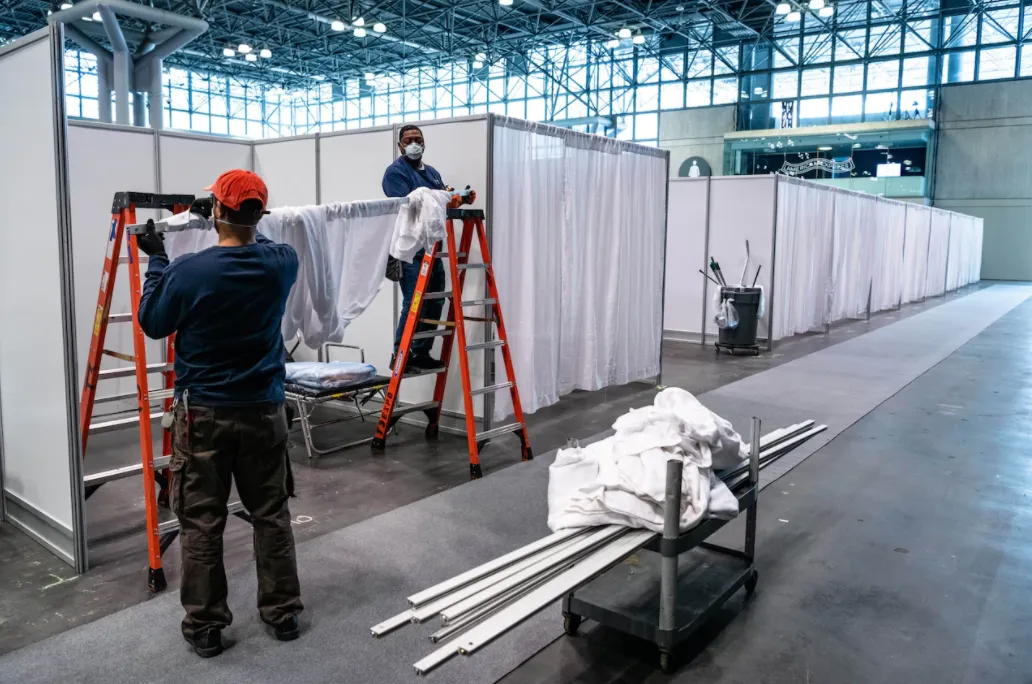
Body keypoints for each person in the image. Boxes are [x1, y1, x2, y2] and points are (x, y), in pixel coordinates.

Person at [136, 169, 304, 659]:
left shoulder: (188, 271)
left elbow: (152, 322)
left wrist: (157, 260)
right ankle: (283, 613)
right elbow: (258, 239)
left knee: (202, 521)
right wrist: (239, 217)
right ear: (259, 215)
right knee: (271, 515)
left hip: (204, 416)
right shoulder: (282, 263)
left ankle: (207, 627)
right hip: (264, 411)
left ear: (216, 213)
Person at [382, 124, 449, 372]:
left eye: (417, 139)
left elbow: (439, 201)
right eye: (408, 139)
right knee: (413, 302)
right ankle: (400, 354)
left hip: (432, 249)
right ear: (400, 145)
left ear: (424, 143)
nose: (413, 143)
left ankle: (421, 351)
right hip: (411, 251)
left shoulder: (432, 173)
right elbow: (408, 206)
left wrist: (455, 196)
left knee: (435, 301)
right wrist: (438, 197)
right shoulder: (395, 173)